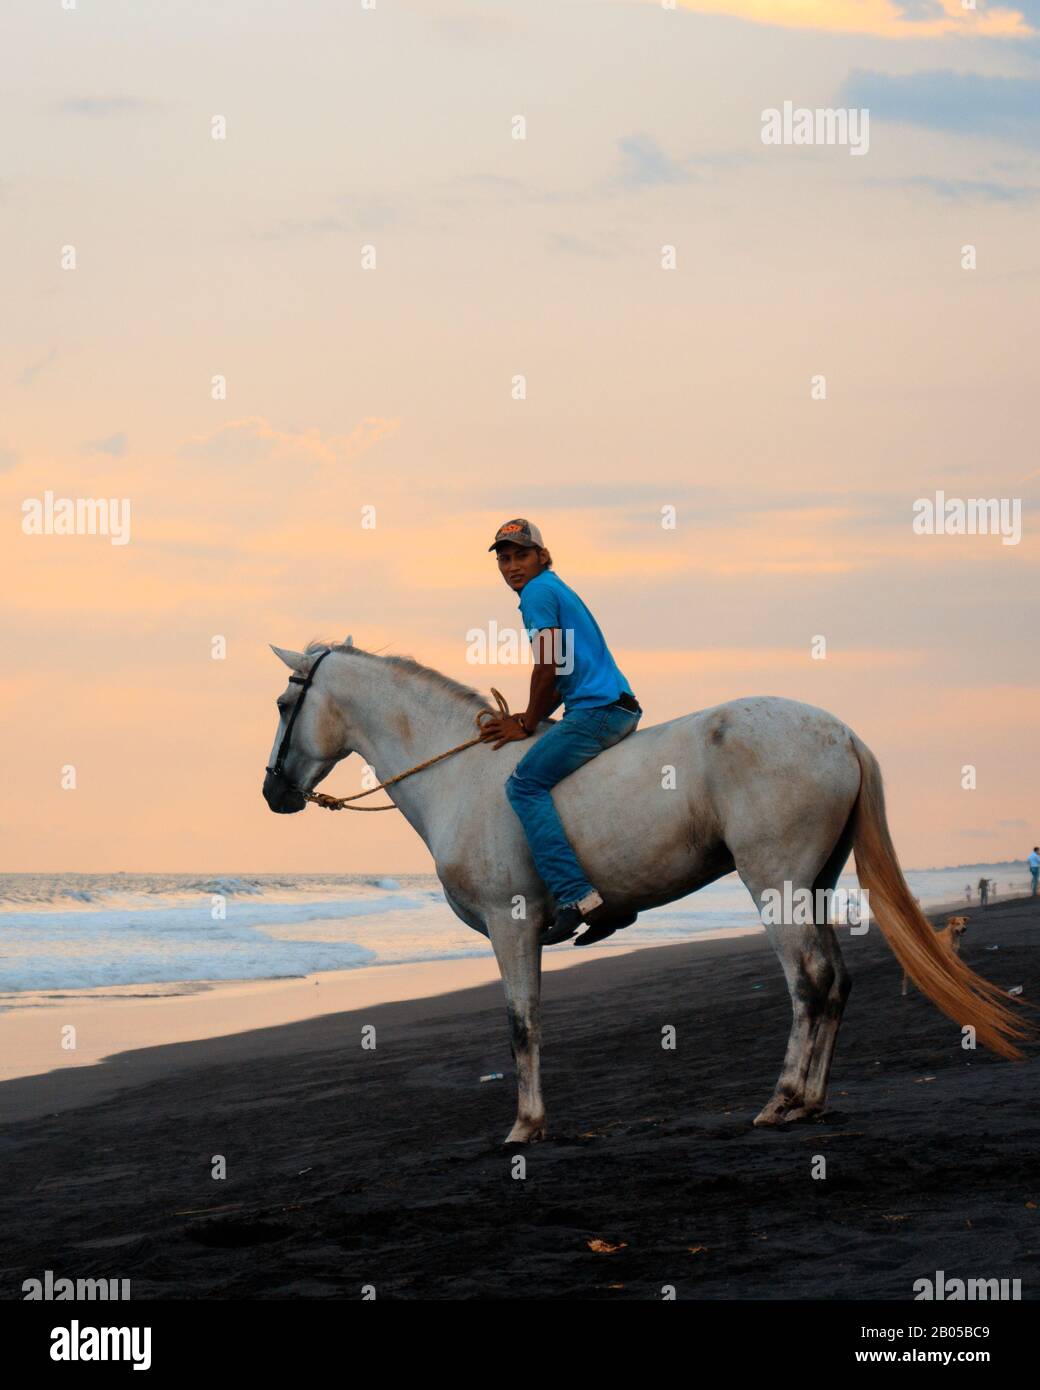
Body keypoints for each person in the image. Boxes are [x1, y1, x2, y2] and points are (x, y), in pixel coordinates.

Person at [478, 518, 641, 946]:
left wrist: (528, 722)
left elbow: (547, 665)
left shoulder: (536, 594)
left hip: (598, 712)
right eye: (505, 559)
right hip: (610, 705)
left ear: (541, 557)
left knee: (524, 785)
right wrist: (527, 716)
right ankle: (612, 910)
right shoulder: (553, 587)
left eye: (521, 556)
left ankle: (575, 897)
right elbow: (562, 673)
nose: (513, 567)